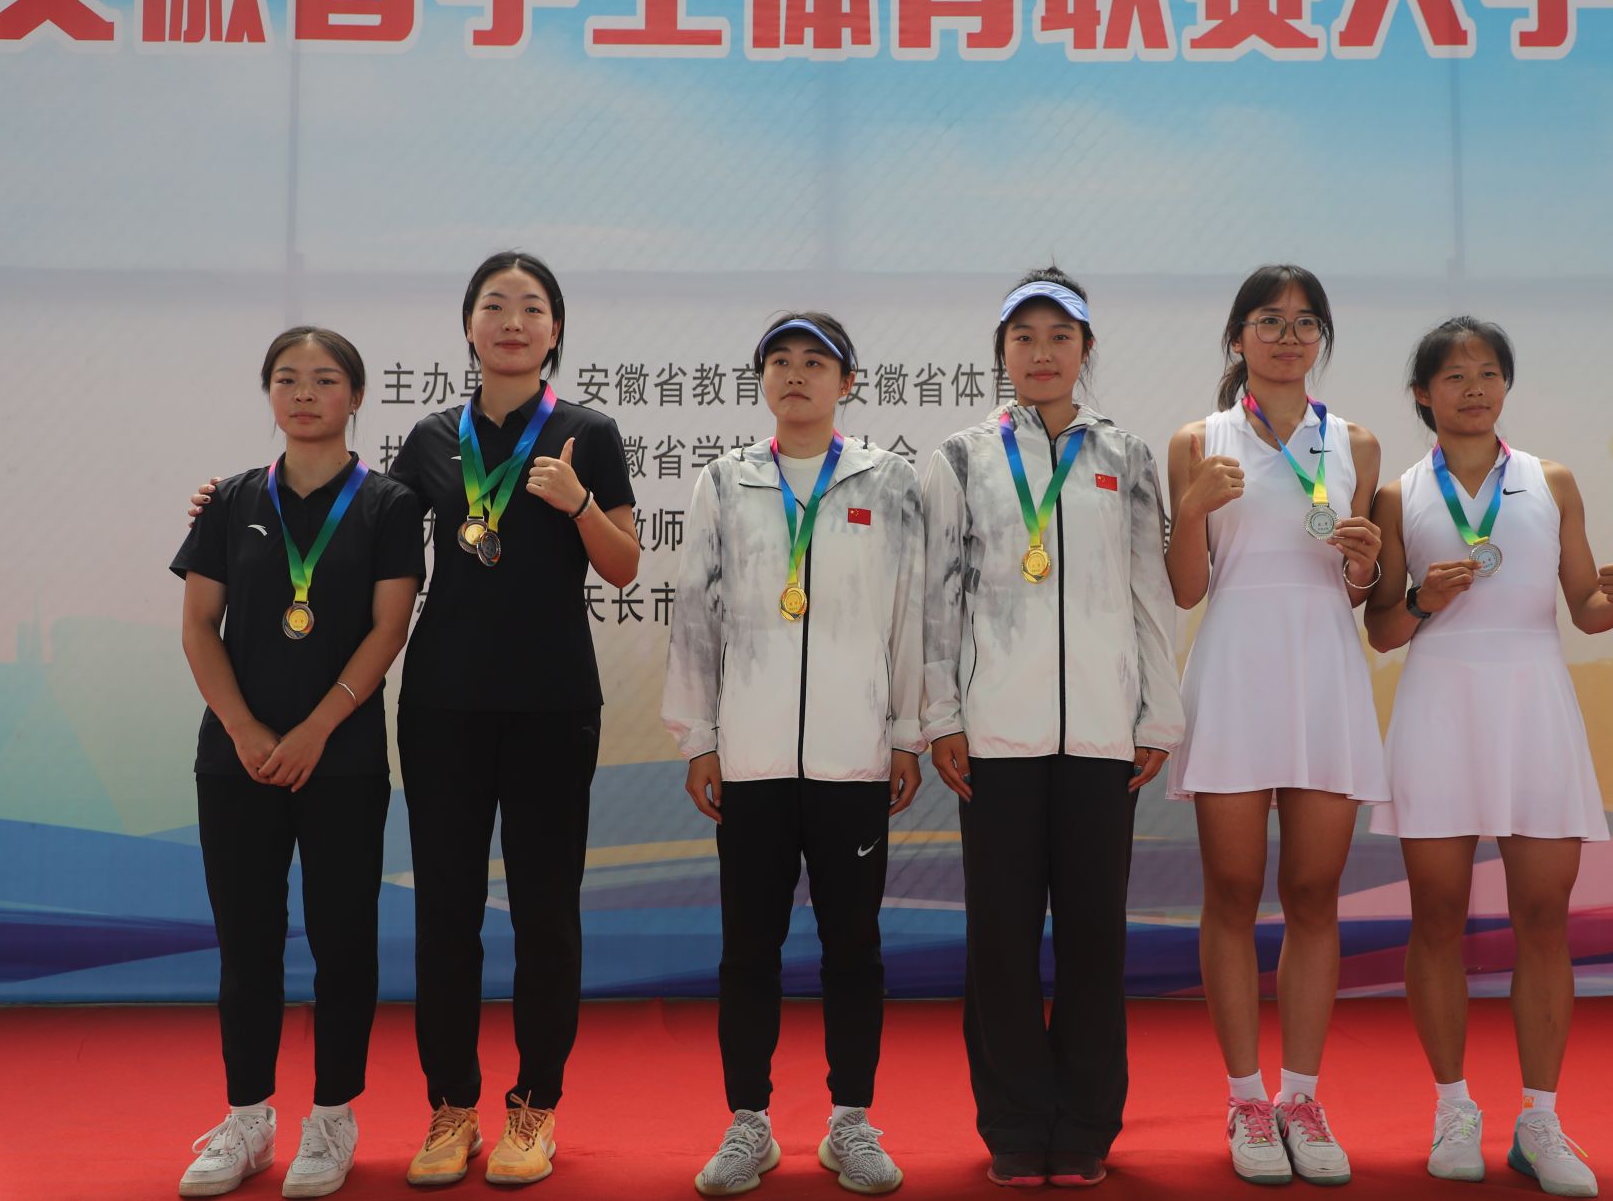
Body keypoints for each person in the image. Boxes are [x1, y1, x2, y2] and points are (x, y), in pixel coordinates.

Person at [191, 253, 640, 1187]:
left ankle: (534, 1106)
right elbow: (361, 529)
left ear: (555, 329)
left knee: (546, 911)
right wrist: (224, 508)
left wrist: (579, 503)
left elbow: (625, 564)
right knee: (445, 913)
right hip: (442, 706)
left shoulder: (589, 433)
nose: (511, 321)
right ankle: (453, 1106)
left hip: (555, 704)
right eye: (493, 306)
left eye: (531, 307)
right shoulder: (433, 438)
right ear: (467, 327)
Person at [1365, 316, 1613, 1198]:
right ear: (1423, 394)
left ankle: (1540, 1118)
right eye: (1454, 376)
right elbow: (1383, 630)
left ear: (1506, 385)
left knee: (1544, 915)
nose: (1474, 388)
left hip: (1534, 704)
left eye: (1488, 373)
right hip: (1439, 704)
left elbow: (1584, 608)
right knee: (1437, 916)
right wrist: (1423, 599)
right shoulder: (1398, 494)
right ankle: (1453, 1107)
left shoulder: (1549, 481)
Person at [923, 270, 1184, 1188]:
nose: (1041, 353)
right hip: (995, 736)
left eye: (1060, 337)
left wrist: (1157, 708)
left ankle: (1083, 1125)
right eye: (1024, 337)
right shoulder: (961, 457)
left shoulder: (1127, 456)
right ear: (1002, 351)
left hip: (1102, 735)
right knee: (999, 937)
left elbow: (1149, 591)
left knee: (1093, 935)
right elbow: (937, 597)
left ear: (1086, 349)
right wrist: (942, 714)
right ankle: (1013, 1121)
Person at [663, 312, 925, 1197]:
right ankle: (749, 1122)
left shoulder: (889, 480)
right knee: (749, 945)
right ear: (763, 380)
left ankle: (851, 1121)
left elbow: (910, 611)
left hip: (854, 756)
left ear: (847, 382)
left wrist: (904, 732)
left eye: (817, 361)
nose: (797, 374)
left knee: (854, 943)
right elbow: (694, 614)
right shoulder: (724, 480)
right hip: (751, 758)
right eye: (780, 360)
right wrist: (700, 737)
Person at [173, 328, 424, 1198]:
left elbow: (388, 628)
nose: (305, 393)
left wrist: (317, 728)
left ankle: (332, 1116)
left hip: (341, 758)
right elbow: (198, 624)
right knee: (246, 943)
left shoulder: (390, 504)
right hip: (235, 761)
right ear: (269, 394)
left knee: (342, 940)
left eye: (324, 379)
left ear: (356, 395)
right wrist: (242, 726)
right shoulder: (230, 499)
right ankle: (248, 1118)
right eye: (287, 379)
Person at [1163, 264, 1384, 1187]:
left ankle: (1301, 1095)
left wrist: (1366, 564)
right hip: (1235, 669)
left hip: (1324, 670)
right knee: (1231, 888)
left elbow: (1358, 588)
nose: (1288, 337)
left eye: (1304, 323)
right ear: (1237, 337)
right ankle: (1245, 1097)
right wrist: (1189, 510)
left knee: (1314, 892)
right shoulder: (1198, 441)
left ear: (1321, 338)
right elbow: (1186, 588)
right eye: (1269, 320)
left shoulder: (1356, 443)